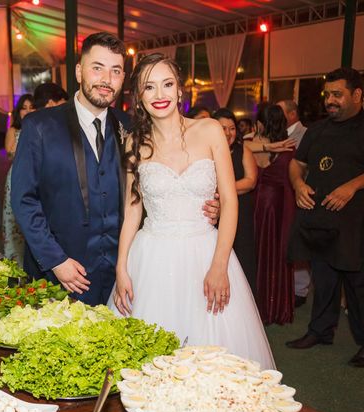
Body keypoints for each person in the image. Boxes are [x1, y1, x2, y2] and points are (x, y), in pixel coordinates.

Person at [12, 33, 220, 306]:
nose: (106, 79)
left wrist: (201, 207)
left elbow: (153, 187)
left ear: (123, 78)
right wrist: (55, 259)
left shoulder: (133, 128)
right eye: (97, 68)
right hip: (59, 274)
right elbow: (23, 200)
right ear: (79, 71)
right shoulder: (39, 126)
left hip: (121, 272)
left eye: (115, 71)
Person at [110, 53, 274, 368]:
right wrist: (121, 267)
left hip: (206, 253)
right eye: (149, 88)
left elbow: (229, 201)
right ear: (139, 98)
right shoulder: (133, 143)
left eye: (167, 84)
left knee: (215, 362)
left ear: (180, 91)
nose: (160, 95)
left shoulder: (210, 130)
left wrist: (219, 266)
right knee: (148, 361)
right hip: (151, 257)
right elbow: (132, 210)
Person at [285, 67, 364, 368]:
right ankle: (319, 331)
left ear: (357, 95)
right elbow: (297, 164)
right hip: (320, 222)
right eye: (327, 95)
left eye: (337, 95)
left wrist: (353, 186)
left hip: (355, 224)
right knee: (324, 278)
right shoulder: (317, 130)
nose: (330, 100)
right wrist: (298, 184)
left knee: (358, 287)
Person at [253, 104, 296, 325]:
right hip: (282, 203)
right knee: (279, 253)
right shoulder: (289, 148)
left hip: (259, 202)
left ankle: (261, 307)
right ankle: (277, 308)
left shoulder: (250, 143)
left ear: (260, 123)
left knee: (259, 252)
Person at [213, 108, 258, 295]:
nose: (228, 133)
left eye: (232, 128)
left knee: (243, 258)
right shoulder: (206, 152)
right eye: (223, 128)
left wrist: (223, 190)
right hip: (214, 212)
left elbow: (251, 181)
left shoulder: (243, 151)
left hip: (241, 213)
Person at [277, 99, 311, 308]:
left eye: (280, 112)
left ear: (291, 114)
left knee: (299, 241)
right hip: (282, 193)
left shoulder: (305, 133)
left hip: (300, 193)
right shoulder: (278, 133)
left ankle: (300, 289)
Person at [3, 94, 35, 265]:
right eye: (24, 107)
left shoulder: (40, 128)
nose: (28, 110)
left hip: (36, 178)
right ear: (19, 111)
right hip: (16, 177)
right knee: (13, 224)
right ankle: (14, 268)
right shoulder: (13, 130)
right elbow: (10, 153)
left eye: (32, 107)